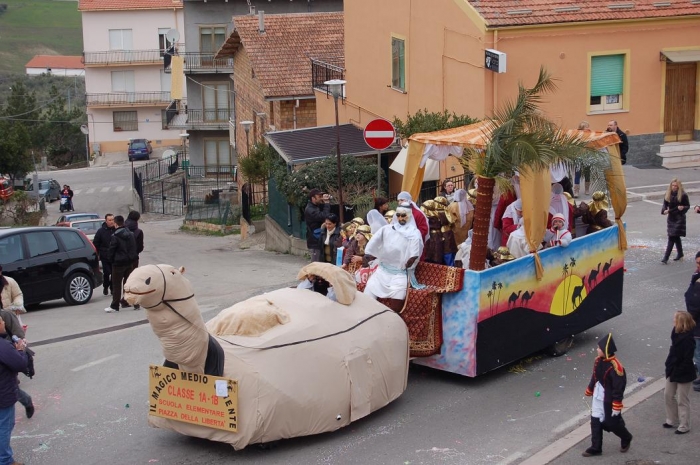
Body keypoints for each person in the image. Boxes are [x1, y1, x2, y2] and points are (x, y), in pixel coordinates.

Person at [582, 333, 633, 457]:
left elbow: (618, 388)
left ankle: (626, 437)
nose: (597, 349)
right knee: (595, 421)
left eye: (599, 348)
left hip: (609, 399)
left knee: (612, 423)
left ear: (605, 350)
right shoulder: (598, 361)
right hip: (598, 396)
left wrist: (616, 405)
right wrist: (590, 389)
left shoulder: (616, 368)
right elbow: (595, 376)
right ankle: (596, 447)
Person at [363, 206, 424, 302]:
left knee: (397, 302)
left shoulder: (414, 233)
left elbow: (415, 252)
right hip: (381, 271)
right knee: (367, 297)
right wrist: (368, 254)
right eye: (398, 215)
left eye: (403, 215)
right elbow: (373, 243)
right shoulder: (386, 229)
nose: (401, 218)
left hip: (400, 274)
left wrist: (412, 259)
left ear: (409, 216)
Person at [0, 316, 29, 465]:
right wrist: (20, 350)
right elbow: (20, 364)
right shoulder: (3, 346)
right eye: (0, 321)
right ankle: (5, 460)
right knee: (4, 426)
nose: (4, 323)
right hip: (3, 395)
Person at [663, 311, 696, 434]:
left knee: (682, 399)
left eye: (675, 319)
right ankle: (672, 419)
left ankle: (684, 425)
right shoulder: (675, 332)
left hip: (684, 373)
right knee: (668, 395)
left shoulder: (688, 340)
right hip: (673, 369)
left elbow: (687, 359)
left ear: (680, 322)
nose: (673, 320)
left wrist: (676, 369)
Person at [105, 215, 137, 313]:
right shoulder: (131, 234)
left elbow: (112, 250)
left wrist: (110, 259)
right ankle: (135, 302)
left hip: (118, 263)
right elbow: (133, 248)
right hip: (129, 262)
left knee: (117, 285)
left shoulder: (115, 236)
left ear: (115, 223)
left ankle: (115, 305)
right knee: (129, 284)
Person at [661, 178, 690, 264]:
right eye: (673, 185)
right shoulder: (668, 194)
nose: (674, 187)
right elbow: (665, 204)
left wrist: (683, 208)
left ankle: (666, 257)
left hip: (679, 218)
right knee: (676, 237)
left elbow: (687, 205)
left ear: (679, 187)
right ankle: (680, 253)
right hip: (671, 218)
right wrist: (664, 210)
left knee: (672, 237)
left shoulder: (683, 195)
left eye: (676, 186)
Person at [683, 251, 700, 392]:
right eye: (697, 263)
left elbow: (695, 302)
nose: (698, 265)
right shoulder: (696, 275)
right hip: (695, 320)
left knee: (698, 351)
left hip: (697, 322)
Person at [92, 213, 116, 296]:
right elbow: (96, 243)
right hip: (105, 256)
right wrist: (97, 255)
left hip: (115, 256)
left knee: (114, 273)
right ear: (106, 221)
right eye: (109, 220)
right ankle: (105, 286)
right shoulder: (101, 231)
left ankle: (112, 288)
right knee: (107, 272)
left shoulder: (116, 230)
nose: (111, 222)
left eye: (113, 220)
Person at [304, 189, 330, 262]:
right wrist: (327, 203)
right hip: (315, 241)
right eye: (319, 196)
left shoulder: (315, 207)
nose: (321, 198)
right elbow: (324, 216)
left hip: (318, 239)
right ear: (313, 198)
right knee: (315, 264)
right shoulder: (310, 210)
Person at [574, 121, 592, 198]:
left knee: (587, 174)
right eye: (586, 127)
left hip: (587, 157)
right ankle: (576, 191)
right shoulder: (577, 136)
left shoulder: (590, 136)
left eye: (588, 127)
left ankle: (587, 189)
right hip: (578, 157)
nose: (588, 128)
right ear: (582, 128)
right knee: (577, 174)